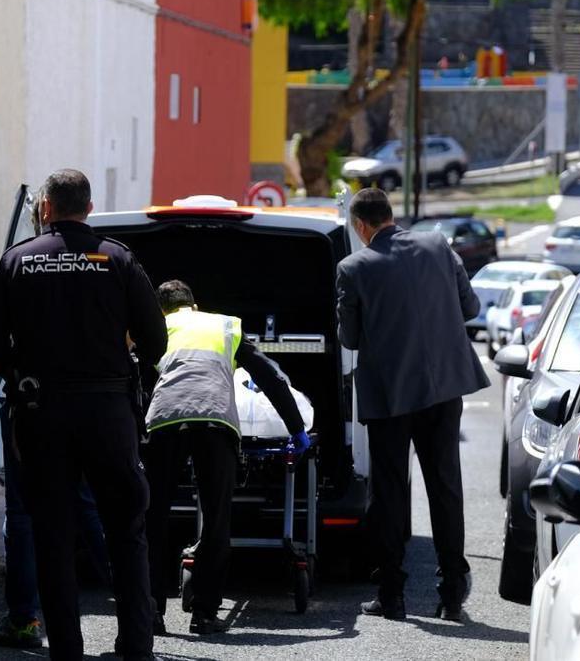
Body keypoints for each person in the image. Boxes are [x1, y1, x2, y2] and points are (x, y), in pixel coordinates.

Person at [0, 169, 167, 661]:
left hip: (42, 413)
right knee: (126, 527)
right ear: (89, 207)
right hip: (108, 412)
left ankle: (66, 650)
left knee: (52, 535)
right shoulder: (117, 258)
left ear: (44, 209)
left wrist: (22, 372)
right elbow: (156, 341)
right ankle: (136, 646)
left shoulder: (18, 260)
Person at [335, 188, 489, 622]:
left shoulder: (353, 267)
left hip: (389, 393)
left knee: (388, 494)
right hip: (443, 387)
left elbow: (349, 338)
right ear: (390, 215)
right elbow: (471, 306)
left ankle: (392, 595)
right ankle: (452, 595)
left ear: (361, 226)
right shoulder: (438, 245)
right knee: (445, 489)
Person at [143, 280, 310, 635]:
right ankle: (204, 614)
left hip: (166, 420)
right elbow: (269, 377)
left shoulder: (157, 328)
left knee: (154, 514)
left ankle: (151, 612)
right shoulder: (224, 325)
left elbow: (135, 377)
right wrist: (297, 429)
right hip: (215, 419)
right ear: (196, 304)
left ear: (162, 310)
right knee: (217, 517)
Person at [0, 402, 111, 649]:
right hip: (84, 402)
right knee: (86, 506)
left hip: (31, 402)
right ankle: (135, 613)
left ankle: (23, 621)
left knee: (21, 512)